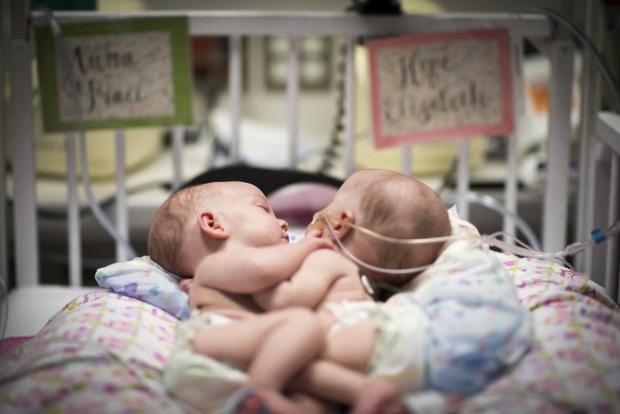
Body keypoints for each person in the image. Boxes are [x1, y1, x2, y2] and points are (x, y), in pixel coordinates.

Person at [151, 180, 404, 414]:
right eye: (264, 209)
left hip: (247, 358)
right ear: (214, 224)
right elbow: (262, 271)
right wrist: (306, 247)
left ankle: (357, 395)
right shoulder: (218, 263)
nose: (282, 222)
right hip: (210, 348)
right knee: (301, 322)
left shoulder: (250, 269)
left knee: (310, 383)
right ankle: (262, 388)